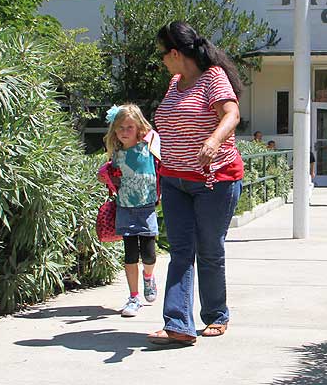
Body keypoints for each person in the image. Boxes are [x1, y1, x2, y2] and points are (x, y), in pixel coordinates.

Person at [147, 21, 243, 346]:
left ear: (174, 52)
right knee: (180, 252)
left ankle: (216, 315)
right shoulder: (175, 84)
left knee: (209, 248)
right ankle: (178, 324)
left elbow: (231, 114)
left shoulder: (213, 78)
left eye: (162, 54)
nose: (161, 61)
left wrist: (214, 140)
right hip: (175, 180)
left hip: (213, 180)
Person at [101, 103, 160, 317]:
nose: (125, 132)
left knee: (149, 255)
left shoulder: (148, 145)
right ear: (114, 130)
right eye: (120, 128)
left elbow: (155, 134)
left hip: (146, 208)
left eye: (130, 127)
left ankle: (148, 277)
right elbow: (114, 176)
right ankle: (134, 297)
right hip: (125, 207)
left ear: (138, 128)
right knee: (130, 255)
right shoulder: (116, 153)